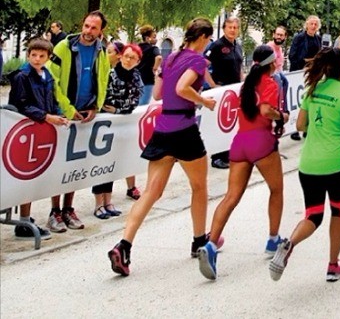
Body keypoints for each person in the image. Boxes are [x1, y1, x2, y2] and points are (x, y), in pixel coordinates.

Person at [108, 18, 218, 277]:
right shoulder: (197, 60)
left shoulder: (170, 59)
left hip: (163, 128)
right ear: (202, 37)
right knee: (200, 187)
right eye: (208, 39)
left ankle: (124, 245)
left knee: (151, 192)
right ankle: (199, 240)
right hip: (184, 128)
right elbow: (182, 88)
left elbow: (157, 95)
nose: (208, 44)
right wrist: (203, 100)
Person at [269, 48, 340, 283]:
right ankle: (333, 265)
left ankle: (289, 243)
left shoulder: (313, 90)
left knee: (313, 215)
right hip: (336, 164)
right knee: (338, 211)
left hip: (309, 164)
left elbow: (300, 125)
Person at [198, 45, 289, 280]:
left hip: (240, 142)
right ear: (272, 63)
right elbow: (267, 110)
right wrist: (283, 116)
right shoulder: (270, 82)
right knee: (276, 190)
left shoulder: (246, 84)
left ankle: (211, 243)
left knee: (231, 197)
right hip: (261, 140)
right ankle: (272, 239)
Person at [47, 10, 111, 232]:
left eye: (93, 28)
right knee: (59, 165)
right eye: (86, 26)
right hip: (63, 114)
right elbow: (51, 80)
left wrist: (96, 106)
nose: (88, 31)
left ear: (101, 30)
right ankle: (54, 211)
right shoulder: (64, 47)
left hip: (85, 114)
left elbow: (102, 79)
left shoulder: (101, 50)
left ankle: (68, 208)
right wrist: (68, 108)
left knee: (75, 165)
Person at [8, 38, 70, 240]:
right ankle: (23, 221)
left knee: (36, 176)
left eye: (41, 56)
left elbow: (51, 99)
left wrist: (59, 115)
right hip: (27, 131)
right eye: (33, 55)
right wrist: (45, 116)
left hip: (42, 130)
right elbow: (21, 104)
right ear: (28, 55)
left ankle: (26, 219)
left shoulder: (47, 75)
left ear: (48, 58)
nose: (37, 59)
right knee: (26, 175)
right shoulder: (22, 76)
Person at [93, 44, 144, 219]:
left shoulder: (136, 76)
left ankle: (108, 200)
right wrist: (118, 109)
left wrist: (119, 110)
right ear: (121, 56)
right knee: (101, 164)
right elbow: (107, 99)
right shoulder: (109, 74)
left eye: (133, 58)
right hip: (106, 126)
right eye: (127, 56)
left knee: (114, 164)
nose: (129, 60)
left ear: (138, 61)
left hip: (122, 126)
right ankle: (98, 203)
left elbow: (135, 101)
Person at [205, 17, 244, 169]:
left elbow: (239, 67)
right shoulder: (216, 45)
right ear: (224, 28)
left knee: (231, 124)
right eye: (230, 27)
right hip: (221, 90)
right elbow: (203, 66)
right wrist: (213, 85)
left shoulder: (238, 46)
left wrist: (242, 83)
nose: (232, 30)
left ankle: (228, 153)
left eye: (235, 27)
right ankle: (217, 157)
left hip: (234, 90)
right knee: (219, 125)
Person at [288, 15, 322, 140]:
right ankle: (294, 129)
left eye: (315, 24)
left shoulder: (318, 38)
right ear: (306, 24)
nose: (313, 26)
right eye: (311, 24)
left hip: (312, 73)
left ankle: (307, 127)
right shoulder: (299, 37)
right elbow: (292, 56)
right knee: (297, 102)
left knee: (310, 100)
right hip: (298, 72)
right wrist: (305, 62)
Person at [137, 25, 162, 105]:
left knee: (135, 103)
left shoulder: (137, 47)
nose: (156, 39)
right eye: (154, 37)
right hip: (148, 79)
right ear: (148, 38)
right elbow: (159, 58)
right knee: (143, 104)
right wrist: (155, 68)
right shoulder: (153, 48)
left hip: (136, 78)